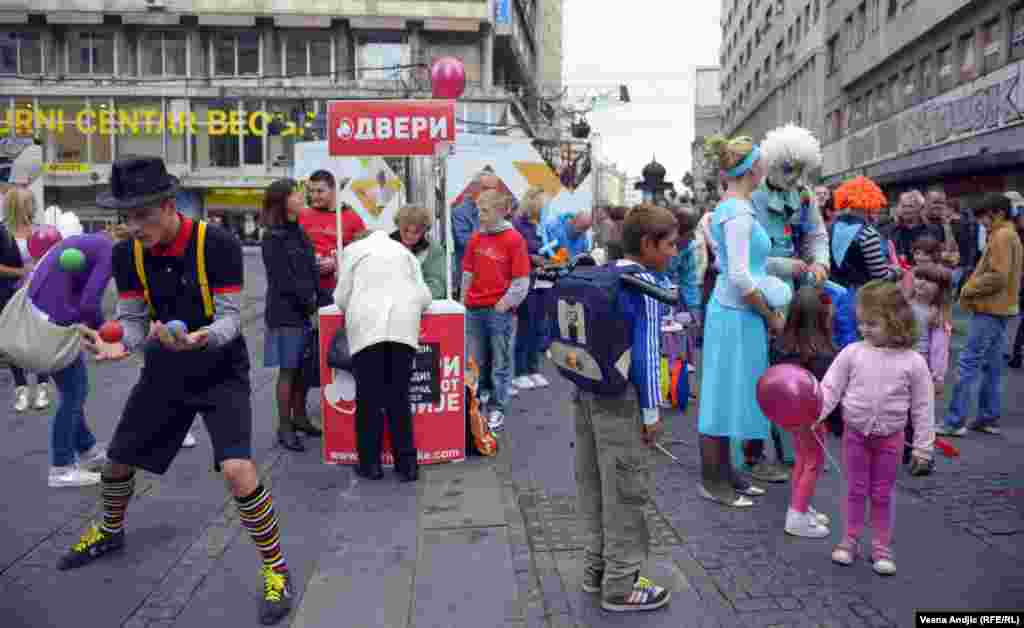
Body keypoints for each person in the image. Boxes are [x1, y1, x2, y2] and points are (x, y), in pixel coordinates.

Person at [67, 158, 295, 626]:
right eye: (125, 217)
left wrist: (201, 337)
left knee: (237, 470)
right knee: (117, 461)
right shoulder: (126, 254)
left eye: (142, 215)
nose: (133, 226)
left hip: (219, 369)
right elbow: (131, 321)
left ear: (169, 206)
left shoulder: (219, 244)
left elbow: (232, 318)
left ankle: (277, 568)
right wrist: (117, 347)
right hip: (165, 371)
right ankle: (111, 529)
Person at [575, 204, 676, 613]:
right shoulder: (643, 284)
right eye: (669, 245)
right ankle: (620, 584)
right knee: (626, 493)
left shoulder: (607, 271)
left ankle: (595, 570)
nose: (673, 252)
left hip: (586, 393)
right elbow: (648, 354)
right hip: (621, 402)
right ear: (648, 244)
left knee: (595, 485)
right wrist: (651, 414)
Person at [818, 280, 935, 576]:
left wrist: (923, 447)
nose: (863, 329)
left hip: (891, 439)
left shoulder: (914, 362)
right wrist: (816, 413)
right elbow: (830, 387)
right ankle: (851, 539)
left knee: (882, 493)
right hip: (855, 435)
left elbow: (923, 408)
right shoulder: (852, 352)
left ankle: (881, 545)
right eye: (861, 323)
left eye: (872, 323)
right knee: (856, 489)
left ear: (895, 321)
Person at [697, 134, 784, 508]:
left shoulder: (734, 207)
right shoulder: (738, 212)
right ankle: (713, 479)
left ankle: (728, 473)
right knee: (721, 395)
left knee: (731, 393)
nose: (766, 169)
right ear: (752, 169)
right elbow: (739, 274)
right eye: (762, 164)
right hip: (737, 312)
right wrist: (769, 312)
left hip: (736, 312)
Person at [744, 124, 830, 484]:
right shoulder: (751, 198)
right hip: (758, 290)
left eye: (799, 169)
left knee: (793, 363)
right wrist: (783, 265)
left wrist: (821, 262)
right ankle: (754, 451)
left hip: (795, 293)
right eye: (788, 167)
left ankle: (791, 446)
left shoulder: (806, 196)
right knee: (759, 367)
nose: (794, 176)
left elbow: (817, 235)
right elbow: (741, 256)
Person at [334, 229, 432, 482]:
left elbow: (340, 297)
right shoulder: (404, 252)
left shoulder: (354, 252)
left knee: (368, 399)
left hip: (367, 329)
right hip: (403, 327)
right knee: (398, 396)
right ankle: (407, 465)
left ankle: (370, 464)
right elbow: (425, 296)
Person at [938, 193, 1024, 437]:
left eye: (984, 218)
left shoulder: (1002, 236)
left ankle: (955, 421)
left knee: (968, 363)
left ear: (997, 214)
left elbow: (997, 275)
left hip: (989, 308)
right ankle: (987, 417)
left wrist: (968, 288)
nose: (981, 223)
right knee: (992, 366)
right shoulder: (1009, 234)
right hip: (1002, 308)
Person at [261, 179, 326, 453]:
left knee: (302, 369)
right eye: (297, 194)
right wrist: (309, 302)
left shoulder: (297, 231)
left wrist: (317, 299)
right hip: (286, 313)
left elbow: (308, 269)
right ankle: (285, 426)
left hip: (305, 310)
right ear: (282, 201)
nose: (303, 197)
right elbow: (282, 280)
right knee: (288, 370)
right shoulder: (272, 237)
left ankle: (299, 418)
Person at [461, 190, 531, 432]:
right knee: (476, 360)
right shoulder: (475, 238)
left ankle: (498, 407)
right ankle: (477, 402)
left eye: (485, 210)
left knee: (500, 361)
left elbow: (521, 279)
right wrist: (463, 303)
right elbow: (467, 273)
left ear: (501, 211)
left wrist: (505, 303)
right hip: (474, 308)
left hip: (498, 310)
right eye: (479, 210)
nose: (480, 215)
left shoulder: (514, 240)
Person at [772, 284, 837, 537]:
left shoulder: (781, 345)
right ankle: (797, 515)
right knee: (814, 462)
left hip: (791, 415)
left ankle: (799, 504)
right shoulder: (824, 351)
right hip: (814, 417)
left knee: (802, 458)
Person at [829, 176, 896, 349]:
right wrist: (897, 272)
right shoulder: (868, 233)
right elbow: (881, 276)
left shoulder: (830, 228)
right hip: (861, 297)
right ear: (870, 204)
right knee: (860, 345)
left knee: (837, 341)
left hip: (832, 295)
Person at [3, 186, 52, 412]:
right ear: (17, 205)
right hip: (11, 294)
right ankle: (21, 389)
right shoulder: (3, 233)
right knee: (14, 343)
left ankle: (42, 386)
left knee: (40, 340)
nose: (33, 206)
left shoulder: (41, 230)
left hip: (40, 292)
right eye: (28, 202)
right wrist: (22, 272)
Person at [903, 262, 951, 473]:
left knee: (921, 412)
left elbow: (940, 349)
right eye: (919, 277)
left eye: (930, 280)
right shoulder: (904, 304)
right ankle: (904, 450)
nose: (922, 282)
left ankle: (923, 454)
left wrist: (938, 376)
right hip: (900, 362)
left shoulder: (936, 314)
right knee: (901, 409)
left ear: (940, 289)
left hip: (921, 366)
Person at [299, 170, 366, 294]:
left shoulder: (352, 218)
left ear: (334, 190)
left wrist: (336, 262)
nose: (314, 196)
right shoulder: (303, 215)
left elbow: (362, 253)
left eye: (320, 191)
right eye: (311, 191)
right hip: (308, 289)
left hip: (340, 289)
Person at [511, 186, 551, 391]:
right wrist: (531, 258)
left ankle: (533, 368)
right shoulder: (518, 225)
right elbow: (513, 254)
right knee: (526, 326)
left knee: (538, 326)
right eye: (543, 205)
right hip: (526, 280)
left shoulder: (541, 226)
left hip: (543, 280)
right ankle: (519, 371)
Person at [452, 172, 500, 297]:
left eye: (494, 189)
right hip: (471, 279)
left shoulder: (499, 212)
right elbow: (464, 242)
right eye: (485, 188)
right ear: (474, 188)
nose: (490, 193)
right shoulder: (460, 212)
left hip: (495, 278)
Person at [391, 204, 446, 300]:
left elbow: (437, 286)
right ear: (398, 226)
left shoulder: (434, 250)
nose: (410, 235)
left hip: (420, 304)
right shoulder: (386, 245)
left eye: (416, 232)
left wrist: (411, 298)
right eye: (405, 230)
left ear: (425, 230)